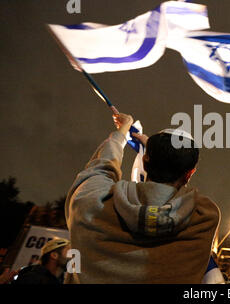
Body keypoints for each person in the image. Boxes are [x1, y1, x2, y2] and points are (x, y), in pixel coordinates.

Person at [64, 113, 220, 283]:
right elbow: (185, 195)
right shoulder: (205, 217)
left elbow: (100, 168)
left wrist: (122, 132)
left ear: (145, 162)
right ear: (190, 174)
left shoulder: (89, 202)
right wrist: (163, 157)